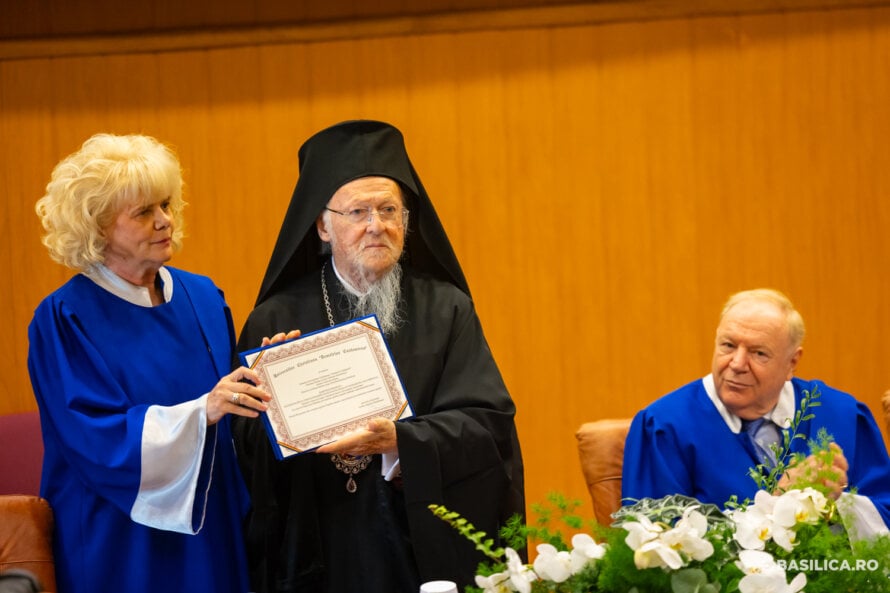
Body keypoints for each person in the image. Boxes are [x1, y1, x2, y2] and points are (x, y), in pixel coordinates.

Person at [232, 119, 525, 593]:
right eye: (358, 212)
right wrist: (268, 403)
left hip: (421, 541)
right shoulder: (276, 318)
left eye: (390, 209)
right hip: (321, 541)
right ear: (322, 226)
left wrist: (400, 442)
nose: (377, 226)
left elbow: (488, 422)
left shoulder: (445, 307)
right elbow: (242, 447)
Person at [27, 133, 290, 593]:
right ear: (99, 227)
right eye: (144, 212)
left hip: (210, 514)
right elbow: (95, 437)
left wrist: (268, 375)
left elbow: (231, 411)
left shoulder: (204, 296)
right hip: (120, 533)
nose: (165, 221)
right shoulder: (64, 317)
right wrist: (201, 412)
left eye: (166, 205)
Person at [622, 288, 890, 536]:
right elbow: (658, 544)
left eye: (758, 353)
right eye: (727, 346)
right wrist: (782, 504)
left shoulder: (842, 416)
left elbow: (885, 515)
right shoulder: (663, 427)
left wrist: (830, 508)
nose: (737, 364)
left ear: (792, 362)